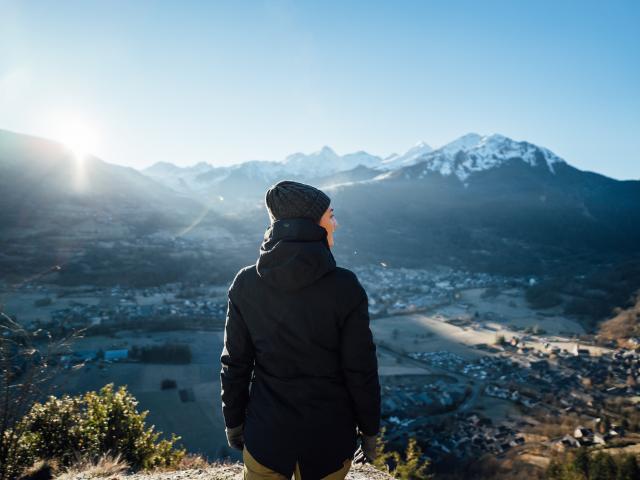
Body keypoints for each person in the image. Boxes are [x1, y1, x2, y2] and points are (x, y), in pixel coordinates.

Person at [220, 179, 381, 480]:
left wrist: (234, 422)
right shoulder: (345, 287)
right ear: (312, 224)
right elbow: (360, 368)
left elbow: (235, 364)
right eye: (331, 215)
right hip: (329, 441)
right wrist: (370, 431)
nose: (337, 223)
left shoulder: (246, 284)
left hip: (266, 437)